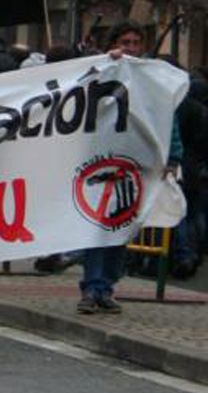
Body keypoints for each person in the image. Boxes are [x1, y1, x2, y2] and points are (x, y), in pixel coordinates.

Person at [77, 21, 182, 314]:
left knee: (122, 229)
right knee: (97, 229)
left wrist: (173, 157)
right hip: (99, 163)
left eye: (136, 42)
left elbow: (167, 120)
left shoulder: (152, 80)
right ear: (115, 43)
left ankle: (106, 287)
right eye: (125, 42)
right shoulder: (99, 71)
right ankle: (91, 286)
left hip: (135, 166)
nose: (131, 48)